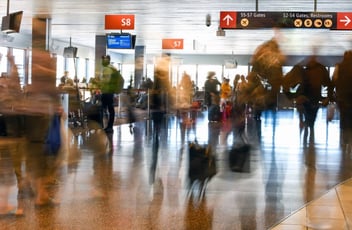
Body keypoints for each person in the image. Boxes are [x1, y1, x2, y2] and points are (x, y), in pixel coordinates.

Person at [332, 50, 352, 149]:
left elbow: (334, 79)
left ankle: (344, 140)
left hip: (342, 97)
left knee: (344, 117)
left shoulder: (339, 66)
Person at [99, 55, 123, 133]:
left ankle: (103, 125)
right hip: (110, 92)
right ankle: (109, 126)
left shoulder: (107, 69)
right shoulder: (112, 68)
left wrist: (98, 81)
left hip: (106, 92)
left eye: (103, 59)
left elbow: (106, 80)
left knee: (102, 109)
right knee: (110, 109)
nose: (102, 61)